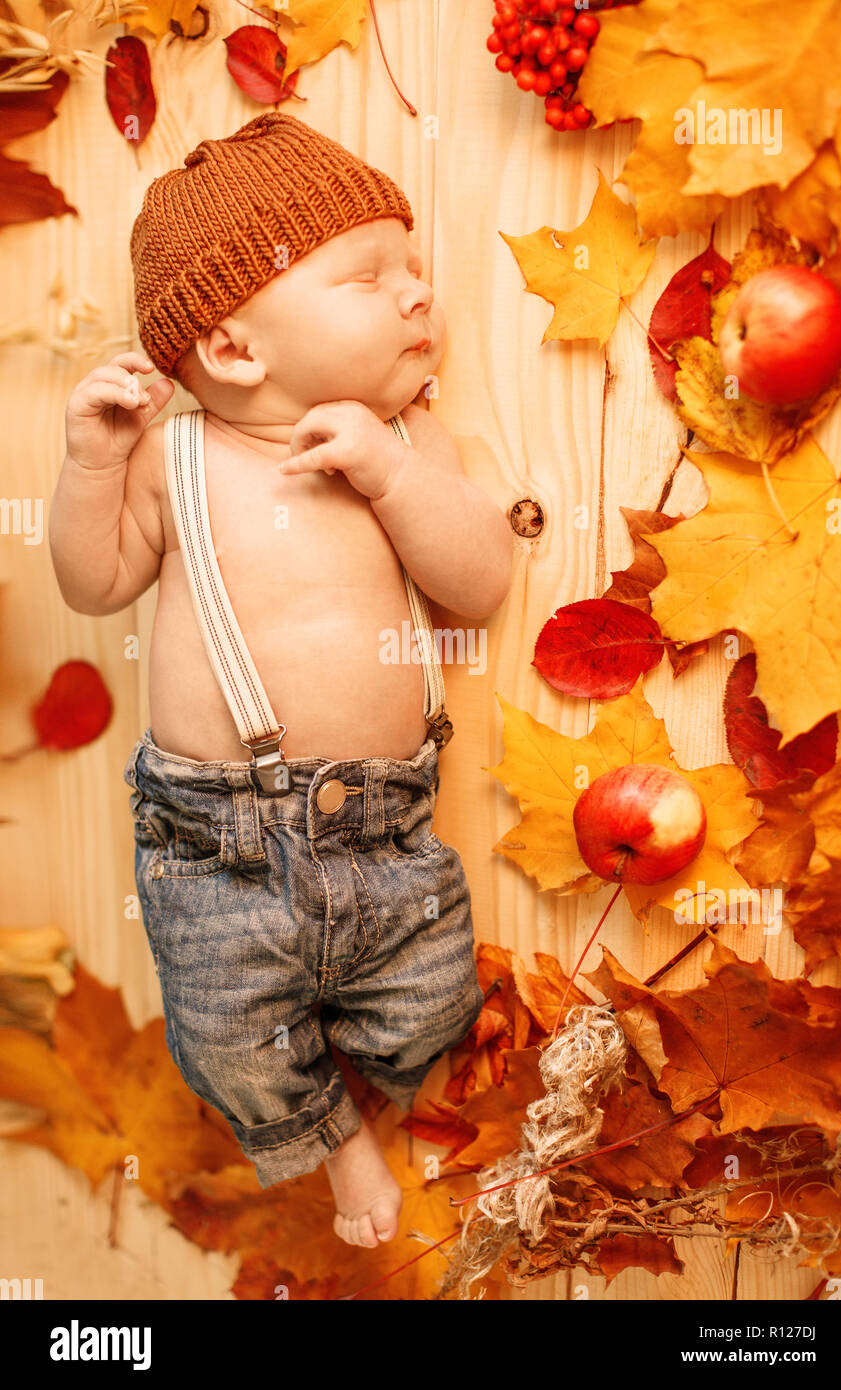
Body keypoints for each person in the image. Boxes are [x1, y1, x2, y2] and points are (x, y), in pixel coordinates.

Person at [48, 111, 512, 1250]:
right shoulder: (175, 458)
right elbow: (94, 583)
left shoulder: (415, 438)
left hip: (386, 831)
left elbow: (479, 581)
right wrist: (93, 461)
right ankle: (325, 1134)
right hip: (216, 842)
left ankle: (358, 1091)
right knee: (221, 1034)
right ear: (236, 351)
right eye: (368, 276)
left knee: (431, 1003)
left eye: (415, 269)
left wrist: (391, 475)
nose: (416, 293)